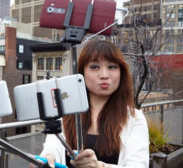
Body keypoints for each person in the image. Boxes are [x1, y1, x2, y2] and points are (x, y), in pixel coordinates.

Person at [35, 40, 149, 168]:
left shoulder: (135, 119)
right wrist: (47, 158)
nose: (104, 75)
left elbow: (138, 165)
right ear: (82, 73)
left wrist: (100, 166)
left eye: (112, 67)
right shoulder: (66, 113)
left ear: (121, 73)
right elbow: (52, 148)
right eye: (94, 67)